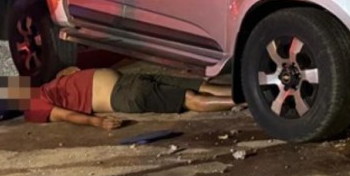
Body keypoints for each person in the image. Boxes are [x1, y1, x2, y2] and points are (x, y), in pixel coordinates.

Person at [21, 67, 236, 129]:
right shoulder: (32, 105)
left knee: (201, 85)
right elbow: (66, 116)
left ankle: (255, 92)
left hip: (132, 79)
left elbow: (72, 70)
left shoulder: (44, 88)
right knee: (190, 98)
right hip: (124, 94)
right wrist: (98, 122)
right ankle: (253, 101)